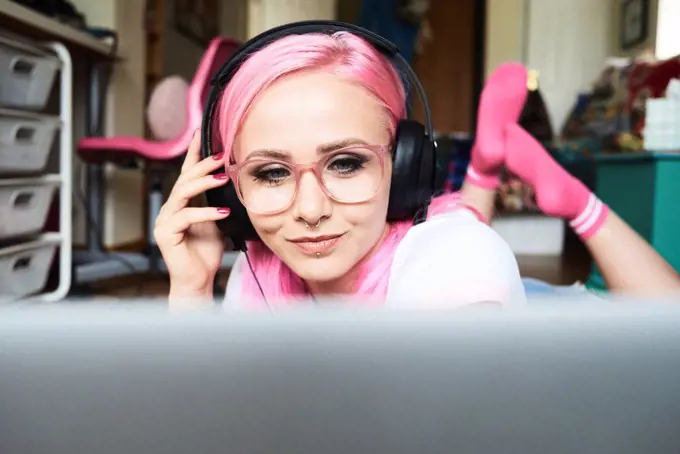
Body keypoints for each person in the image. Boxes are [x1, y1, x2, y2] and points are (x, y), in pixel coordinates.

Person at [154, 23, 680, 309]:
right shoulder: (257, 276)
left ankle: (567, 197)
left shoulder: (455, 262)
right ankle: (484, 171)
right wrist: (192, 290)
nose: (310, 211)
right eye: (271, 172)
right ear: (230, 191)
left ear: (407, 165)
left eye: (345, 163)